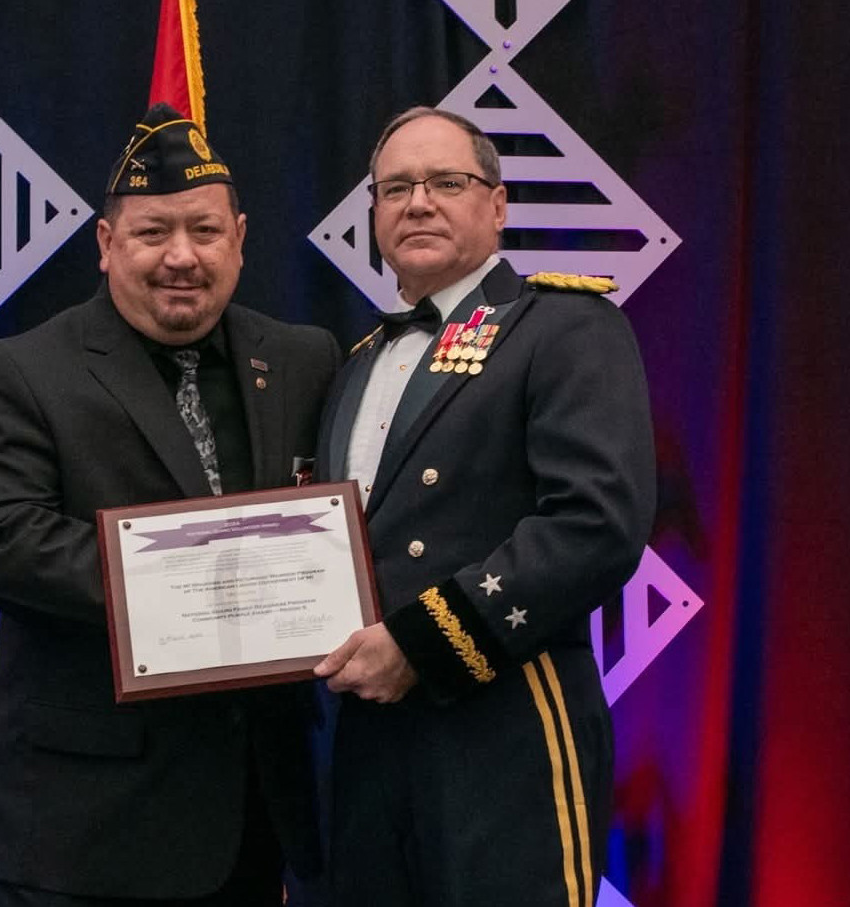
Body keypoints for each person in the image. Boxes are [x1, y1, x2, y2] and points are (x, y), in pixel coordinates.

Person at [0, 103, 340, 907]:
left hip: (258, 822)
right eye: (152, 232)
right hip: (83, 833)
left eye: (204, 230)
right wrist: (206, 582)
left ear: (240, 238)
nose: (181, 256)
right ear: (106, 244)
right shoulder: (23, 369)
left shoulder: (303, 359)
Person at [312, 106, 656, 906]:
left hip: (505, 719)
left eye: (446, 182)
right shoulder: (357, 361)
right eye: (396, 187)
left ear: (497, 205)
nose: (418, 203)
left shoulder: (563, 326)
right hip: (365, 738)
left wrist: (421, 644)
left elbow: (596, 522)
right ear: (374, 214)